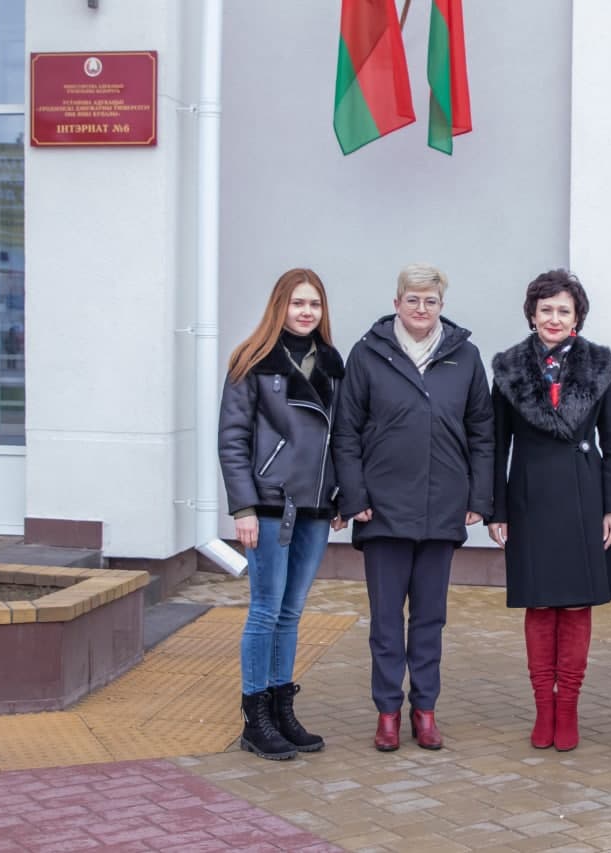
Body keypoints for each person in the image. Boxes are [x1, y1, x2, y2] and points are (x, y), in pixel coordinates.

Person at [332, 263, 494, 752]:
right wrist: (355, 495)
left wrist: (478, 498)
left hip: (443, 507)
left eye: (431, 301)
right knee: (385, 621)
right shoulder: (366, 355)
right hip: (382, 511)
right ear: (397, 301)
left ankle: (425, 711)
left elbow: (483, 432)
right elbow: (346, 432)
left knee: (429, 618)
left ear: (441, 305)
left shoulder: (465, 357)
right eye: (413, 300)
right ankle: (387, 712)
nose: (421, 310)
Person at [487, 269, 611, 752]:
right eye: (545, 309)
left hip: (584, 495)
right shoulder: (507, 368)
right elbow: (494, 445)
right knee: (540, 603)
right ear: (532, 314)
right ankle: (541, 710)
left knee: (574, 603)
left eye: (563, 310)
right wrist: (496, 511)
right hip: (528, 495)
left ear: (577, 317)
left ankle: (567, 708)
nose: (553, 317)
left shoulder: (599, 366)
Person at [218, 267, 347, 761]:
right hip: (270, 505)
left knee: (291, 612)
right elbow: (232, 440)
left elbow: (344, 437)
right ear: (280, 306)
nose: (306, 312)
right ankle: (256, 717)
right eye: (297, 303)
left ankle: (280, 705)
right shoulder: (251, 362)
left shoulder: (333, 365)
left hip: (315, 506)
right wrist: (244, 507)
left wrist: (340, 496)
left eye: (314, 304)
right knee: (266, 609)